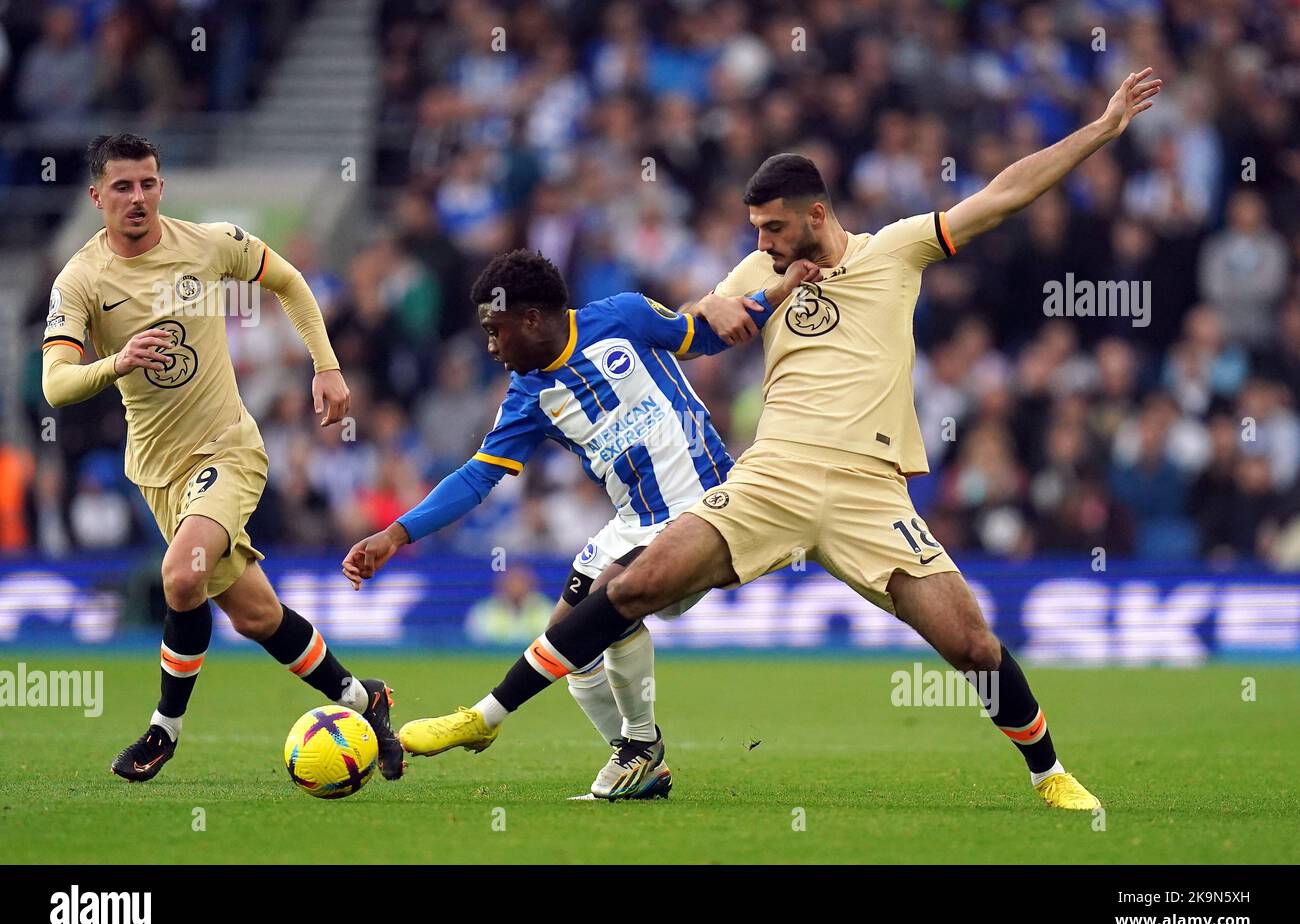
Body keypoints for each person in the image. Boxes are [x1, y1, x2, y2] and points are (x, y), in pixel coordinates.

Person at [398, 69, 1164, 811]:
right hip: (773, 477)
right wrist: (740, 303)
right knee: (630, 585)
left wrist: (1101, 129)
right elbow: (701, 317)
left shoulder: (894, 251)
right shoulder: (759, 270)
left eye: (772, 227)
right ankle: (485, 718)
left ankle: (1050, 772)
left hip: (869, 488)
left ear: (817, 216)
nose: (760, 241)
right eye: (753, 229)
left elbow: (1003, 195)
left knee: (969, 645)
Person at [342, 248, 813, 799]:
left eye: (496, 332)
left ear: (532, 319)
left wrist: (774, 293)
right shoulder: (527, 397)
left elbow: (705, 336)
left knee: (610, 604)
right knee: (571, 642)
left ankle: (498, 717)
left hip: (705, 506)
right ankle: (642, 760)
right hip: (633, 522)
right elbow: (475, 478)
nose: (491, 348)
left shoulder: (623, 317)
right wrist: (395, 534)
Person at [42, 133, 404, 782]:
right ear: (96, 197)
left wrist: (325, 366)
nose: (138, 197)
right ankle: (362, 698)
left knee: (181, 575)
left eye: (148, 182)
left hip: (228, 450)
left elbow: (289, 280)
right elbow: (54, 382)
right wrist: (116, 362)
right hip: (158, 472)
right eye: (122, 186)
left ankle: (163, 730)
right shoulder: (82, 281)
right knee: (257, 614)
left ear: (162, 187)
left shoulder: (208, 244)